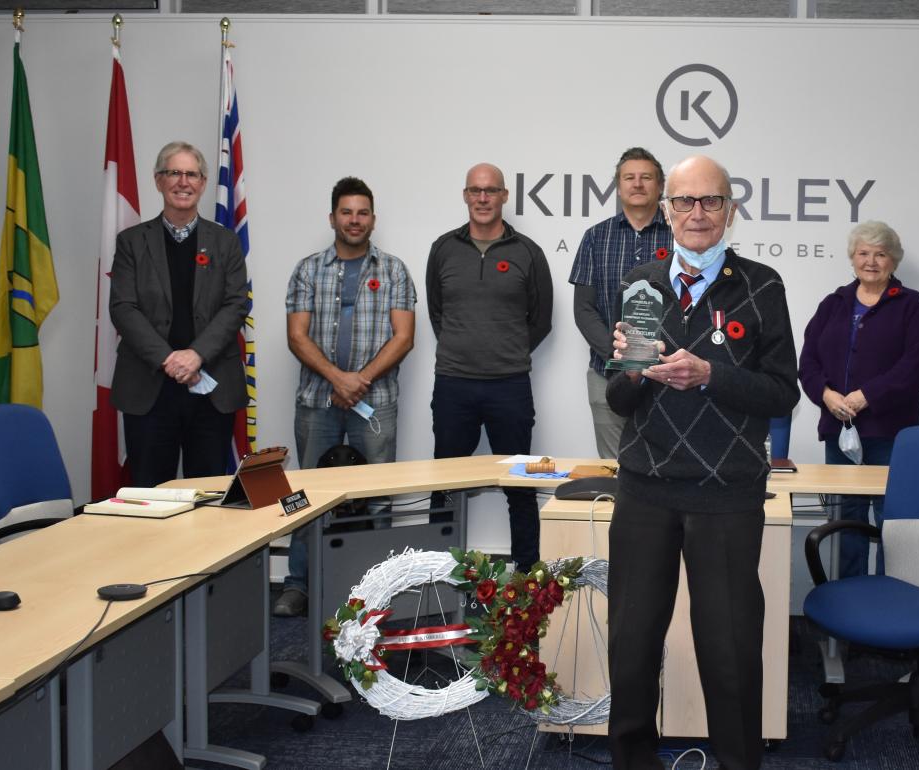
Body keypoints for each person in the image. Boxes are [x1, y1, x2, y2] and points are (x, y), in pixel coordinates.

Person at [605, 155, 798, 770]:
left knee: (730, 649)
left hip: (726, 497)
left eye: (711, 201)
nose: (697, 213)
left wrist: (711, 374)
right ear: (666, 211)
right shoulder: (641, 283)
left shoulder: (761, 286)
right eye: (685, 201)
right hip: (645, 490)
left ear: (730, 212)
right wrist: (634, 371)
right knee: (632, 645)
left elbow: (782, 393)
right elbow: (619, 400)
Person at [273, 177, 416, 617]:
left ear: (373, 219)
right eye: (347, 212)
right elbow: (297, 336)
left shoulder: (393, 270)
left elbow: (404, 336)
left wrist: (359, 381)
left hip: (376, 400)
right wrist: (338, 379)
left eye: (363, 213)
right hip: (317, 399)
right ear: (332, 217)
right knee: (306, 493)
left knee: (378, 496)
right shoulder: (308, 269)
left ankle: (377, 588)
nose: (355, 220)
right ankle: (298, 585)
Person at [426, 163, 553, 570]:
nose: (483, 198)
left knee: (520, 485)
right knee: (445, 485)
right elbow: (437, 313)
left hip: (509, 386)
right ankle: (440, 573)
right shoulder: (443, 249)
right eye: (476, 191)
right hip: (453, 384)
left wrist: (505, 350)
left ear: (504, 196)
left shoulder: (528, 253)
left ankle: (527, 575)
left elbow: (541, 320)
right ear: (465, 195)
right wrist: (465, 348)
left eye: (491, 190)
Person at [797, 221, 919, 578]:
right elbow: (808, 361)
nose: (871, 261)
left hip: (890, 434)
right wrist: (826, 395)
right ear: (852, 257)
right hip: (838, 432)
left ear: (893, 260)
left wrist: (867, 396)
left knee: (893, 521)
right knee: (845, 521)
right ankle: (848, 595)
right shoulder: (833, 304)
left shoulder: (911, 305)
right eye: (863, 253)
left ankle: (890, 597)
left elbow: (915, 368)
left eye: (880, 254)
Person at [109, 141, 248, 487]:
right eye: (174, 173)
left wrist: (196, 355)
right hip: (149, 388)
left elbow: (235, 305)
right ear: (158, 180)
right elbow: (123, 308)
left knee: (210, 492)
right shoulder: (131, 242)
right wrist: (169, 359)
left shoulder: (226, 242)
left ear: (203, 183)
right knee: (151, 491)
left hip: (211, 387)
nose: (183, 182)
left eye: (192, 174)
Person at [568, 147, 673, 458]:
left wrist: (652, 357)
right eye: (629, 177)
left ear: (660, 186)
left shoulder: (679, 238)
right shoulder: (595, 237)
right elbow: (584, 310)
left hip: (667, 375)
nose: (637, 184)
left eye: (646, 177)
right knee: (613, 468)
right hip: (606, 373)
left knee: (666, 465)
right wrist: (622, 355)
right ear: (618, 186)